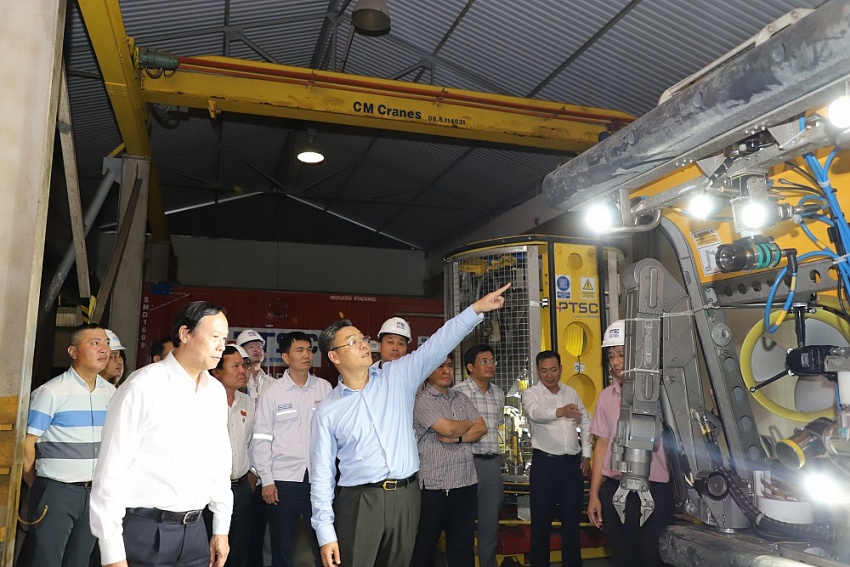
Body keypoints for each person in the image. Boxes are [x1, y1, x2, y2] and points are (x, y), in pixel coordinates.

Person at [310, 283, 511, 567]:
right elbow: (321, 474)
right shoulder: (328, 411)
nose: (364, 344)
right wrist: (324, 532)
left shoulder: (398, 376)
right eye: (352, 342)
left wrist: (476, 309)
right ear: (334, 356)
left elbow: (439, 343)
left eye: (363, 338)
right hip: (360, 501)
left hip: (406, 497)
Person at [89, 301, 233, 567]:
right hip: (145, 532)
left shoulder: (214, 392)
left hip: (195, 533)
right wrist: (112, 554)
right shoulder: (142, 387)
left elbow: (220, 463)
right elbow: (110, 473)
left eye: (224, 339)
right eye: (214, 337)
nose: (221, 346)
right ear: (185, 334)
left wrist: (220, 528)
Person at [21, 324, 114, 567]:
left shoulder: (112, 393)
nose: (104, 349)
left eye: (106, 343)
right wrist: (37, 484)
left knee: (79, 560)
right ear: (73, 352)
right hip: (57, 490)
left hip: (94, 492)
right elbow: (27, 444)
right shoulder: (51, 392)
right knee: (46, 559)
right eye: (95, 343)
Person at [587, 320, 674, 567]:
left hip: (655, 491)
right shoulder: (606, 397)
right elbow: (602, 444)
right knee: (624, 558)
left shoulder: (663, 396)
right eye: (611, 356)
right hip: (615, 490)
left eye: (621, 354)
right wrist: (594, 495)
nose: (616, 362)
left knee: (653, 558)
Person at [252, 332, 330, 567]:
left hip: (318, 479)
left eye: (309, 350)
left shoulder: (324, 388)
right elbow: (261, 439)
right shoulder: (273, 392)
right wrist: (266, 480)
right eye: (299, 350)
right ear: (286, 357)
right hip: (283, 481)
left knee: (324, 543)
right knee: (282, 547)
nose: (306, 355)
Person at [411, 355, 486, 567]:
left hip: (465, 482)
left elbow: (482, 428)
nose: (446, 371)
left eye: (450, 366)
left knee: (463, 546)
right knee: (426, 545)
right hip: (435, 486)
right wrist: (466, 423)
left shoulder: (460, 398)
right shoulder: (422, 400)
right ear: (428, 371)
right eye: (440, 367)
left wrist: (459, 438)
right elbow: (449, 429)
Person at [522, 350, 592, 567]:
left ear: (561, 369)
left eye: (553, 370)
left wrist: (586, 454)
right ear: (538, 371)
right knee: (541, 525)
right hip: (545, 465)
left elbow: (586, 420)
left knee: (571, 523)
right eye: (544, 371)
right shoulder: (531, 394)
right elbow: (536, 414)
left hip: (571, 466)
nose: (549, 375)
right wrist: (560, 411)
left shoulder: (571, 392)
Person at [453, 344, 505, 567]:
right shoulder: (458, 393)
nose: (490, 365)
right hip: (466, 461)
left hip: (491, 464)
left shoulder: (498, 394)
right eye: (484, 361)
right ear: (470, 367)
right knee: (462, 523)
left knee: (490, 524)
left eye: (492, 361)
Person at [208, 344, 255, 567]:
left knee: (239, 548)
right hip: (209, 490)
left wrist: (253, 472)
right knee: (210, 549)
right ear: (216, 371)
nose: (242, 371)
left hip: (241, 489)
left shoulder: (247, 402)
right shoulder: (204, 401)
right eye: (235, 366)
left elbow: (251, 441)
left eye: (243, 365)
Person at [237, 329, 273, 405]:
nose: (257, 350)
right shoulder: (235, 381)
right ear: (240, 352)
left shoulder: (273, 383)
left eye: (259, 346)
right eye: (251, 347)